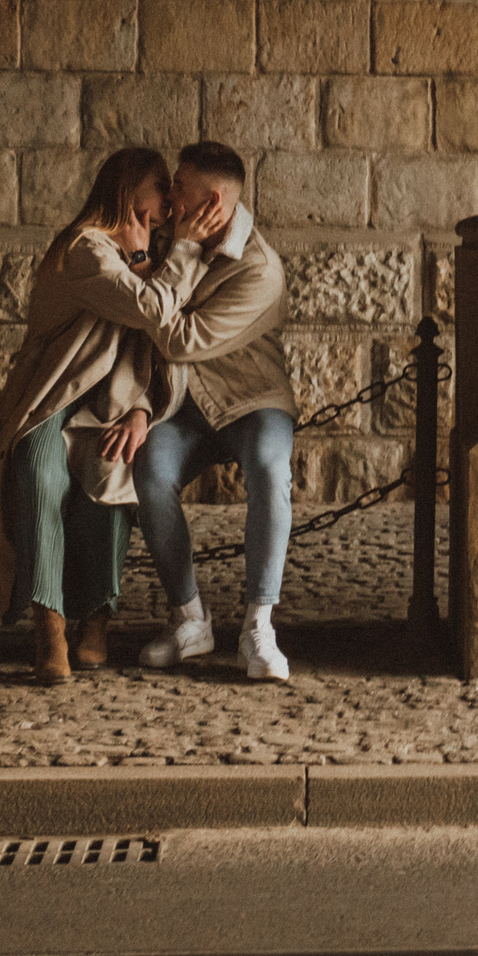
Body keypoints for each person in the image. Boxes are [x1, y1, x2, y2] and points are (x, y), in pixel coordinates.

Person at [0, 147, 227, 684]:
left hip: (107, 406)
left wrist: (140, 411)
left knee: (111, 476)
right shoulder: (85, 248)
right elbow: (153, 310)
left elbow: (148, 346)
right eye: (162, 187)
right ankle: (50, 626)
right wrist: (176, 252)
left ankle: (97, 621)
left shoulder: (143, 254)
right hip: (51, 400)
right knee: (40, 478)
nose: (171, 200)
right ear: (132, 191)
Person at [125, 142, 303, 682]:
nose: (170, 196)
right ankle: (189, 619)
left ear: (214, 200)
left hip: (251, 403)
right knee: (148, 472)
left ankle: (258, 626)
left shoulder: (260, 270)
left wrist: (173, 260)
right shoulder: (171, 235)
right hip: (184, 404)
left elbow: (176, 338)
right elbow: (137, 313)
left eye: (180, 187)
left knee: (271, 470)